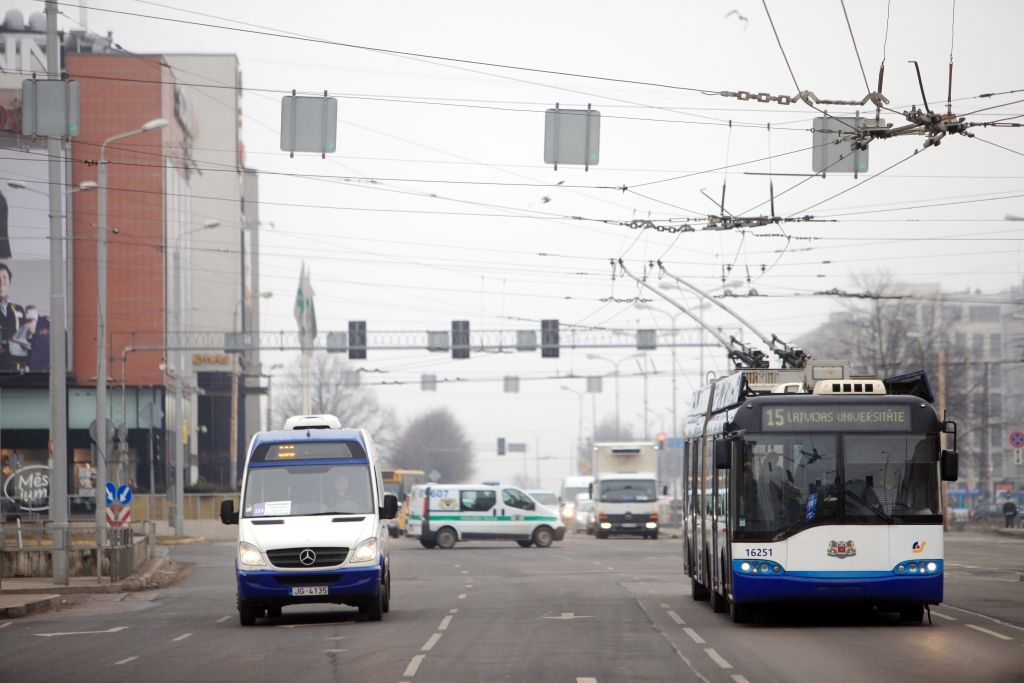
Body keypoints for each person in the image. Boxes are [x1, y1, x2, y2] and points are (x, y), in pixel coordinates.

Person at [0, 263, 25, 372]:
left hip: (16, 368)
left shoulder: (18, 309)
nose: (1, 281)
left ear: (9, 281)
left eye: (4, 277)